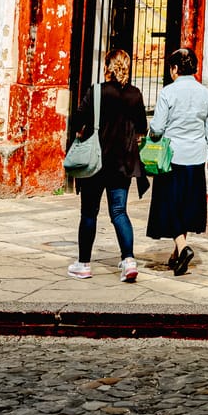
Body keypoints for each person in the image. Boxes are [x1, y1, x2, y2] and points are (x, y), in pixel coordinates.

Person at [66, 47, 148, 282]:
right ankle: (129, 261)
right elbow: (142, 128)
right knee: (119, 212)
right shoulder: (135, 94)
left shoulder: (97, 92)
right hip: (122, 164)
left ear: (107, 68)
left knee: (89, 212)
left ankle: (83, 264)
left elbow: (78, 119)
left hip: (97, 163)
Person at [145, 47, 208, 275]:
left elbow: (157, 128)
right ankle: (177, 254)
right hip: (196, 158)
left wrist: (152, 133)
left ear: (175, 68)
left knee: (170, 205)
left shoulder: (168, 93)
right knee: (186, 206)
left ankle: (184, 248)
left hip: (172, 158)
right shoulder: (206, 94)